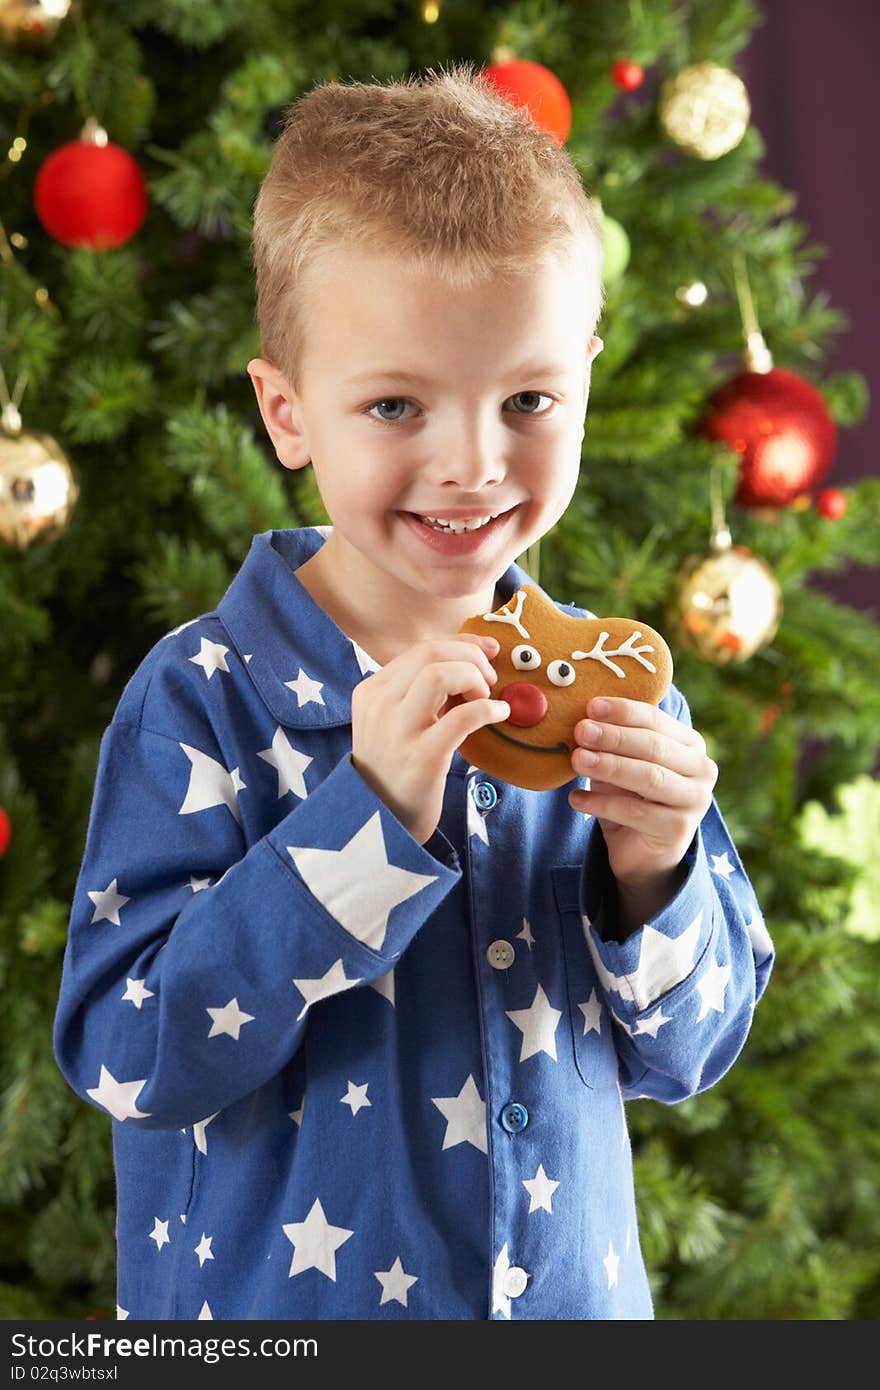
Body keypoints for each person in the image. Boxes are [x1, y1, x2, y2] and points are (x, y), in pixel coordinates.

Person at [53, 62, 774, 1322]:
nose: (473, 463)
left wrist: (657, 869)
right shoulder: (208, 698)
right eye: (395, 403)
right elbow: (127, 1053)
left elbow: (692, 1049)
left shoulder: (611, 699)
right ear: (287, 412)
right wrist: (360, 825)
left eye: (530, 399)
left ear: (588, 383)